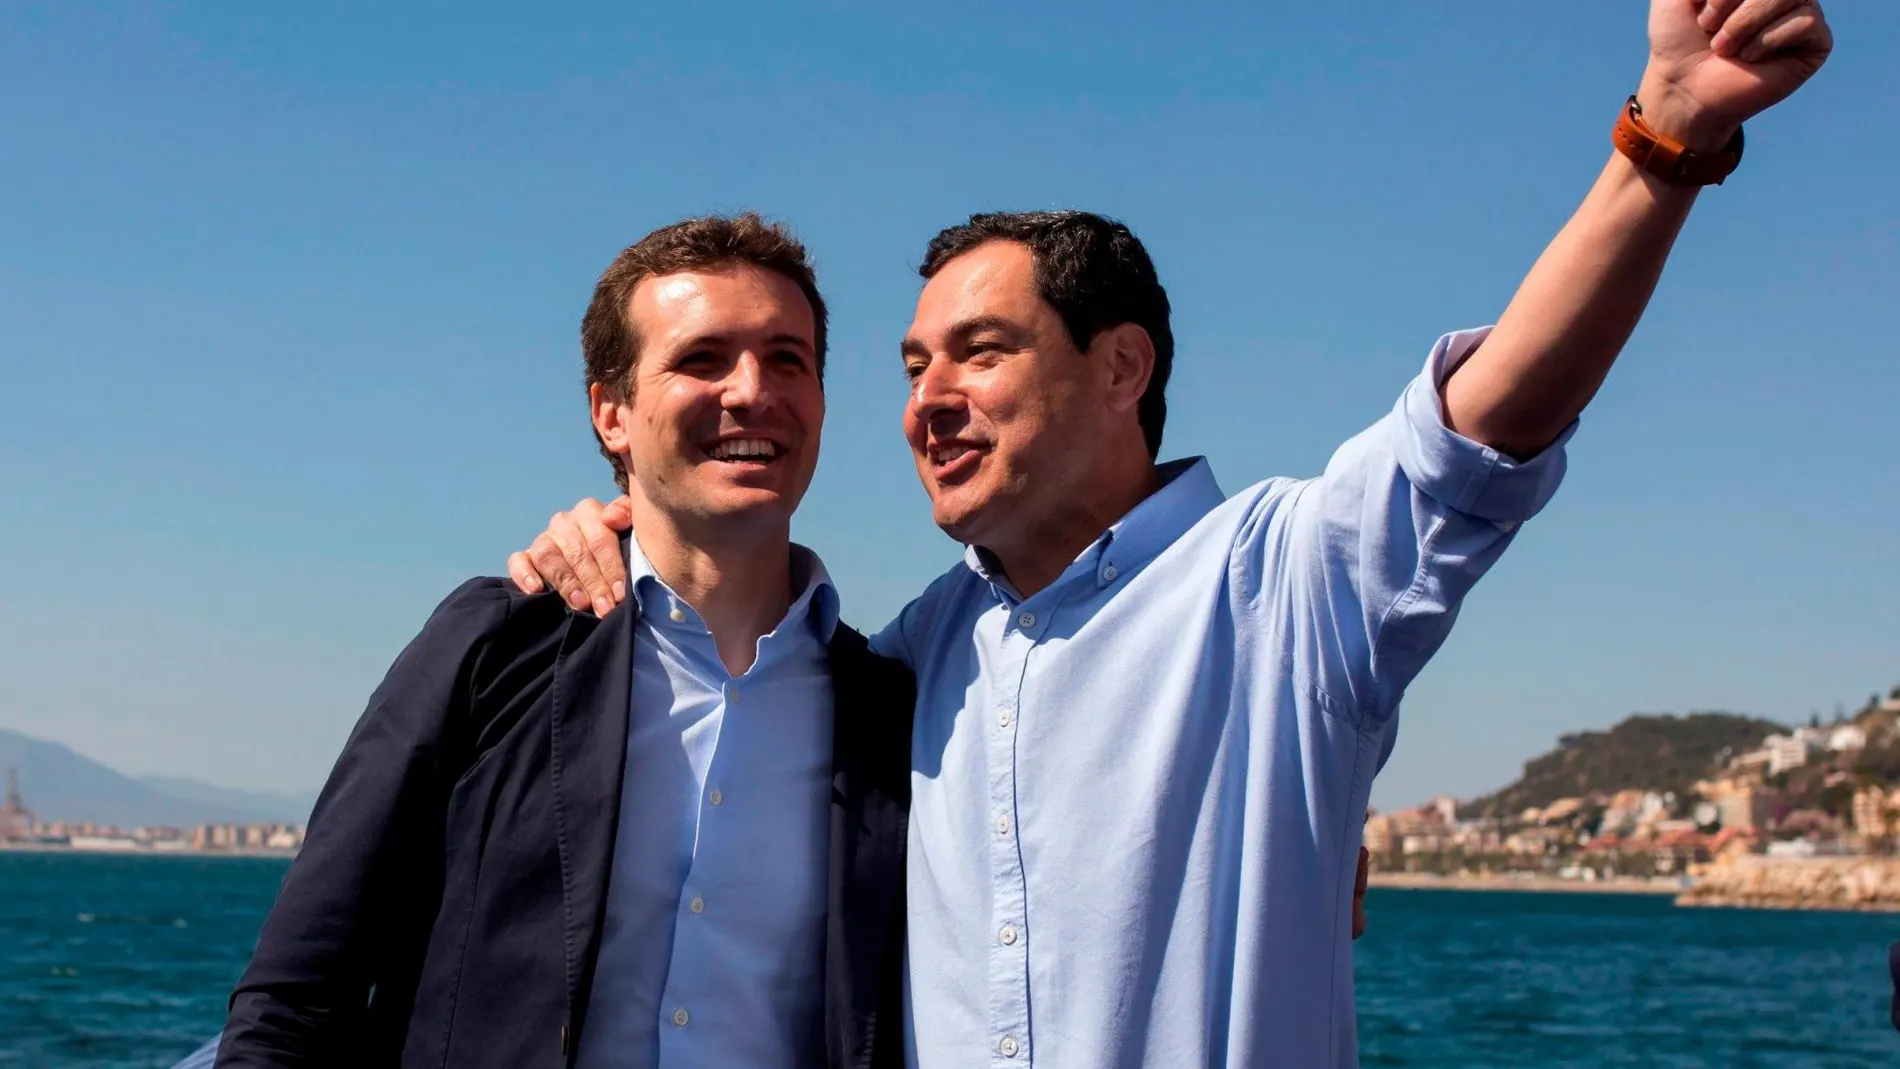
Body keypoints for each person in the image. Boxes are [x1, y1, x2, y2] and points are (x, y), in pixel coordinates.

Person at [522, 6, 1833, 1066]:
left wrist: (1658, 145)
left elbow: (1485, 423)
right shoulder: (908, 659)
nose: (924, 402)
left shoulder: (1289, 584)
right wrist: (607, 540)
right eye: (913, 363)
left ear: (1120, 367)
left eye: (979, 352)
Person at [213, 215, 916, 1069]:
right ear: (611, 412)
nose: (750, 389)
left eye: (787, 358)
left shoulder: (890, 708)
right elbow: (298, 995)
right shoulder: (494, 647)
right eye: (702, 358)